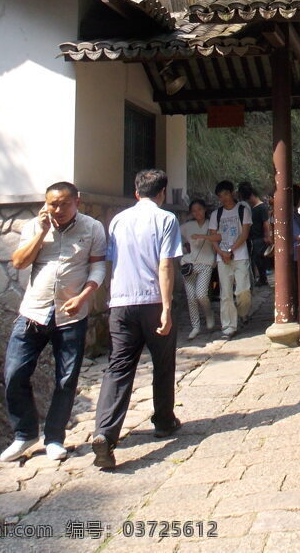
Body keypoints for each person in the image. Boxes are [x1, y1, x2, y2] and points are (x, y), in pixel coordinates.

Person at [0, 181, 106, 463]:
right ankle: (24, 434)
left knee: (66, 378)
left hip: (71, 315)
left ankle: (55, 438)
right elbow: (19, 262)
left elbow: (98, 264)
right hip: (33, 312)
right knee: (14, 373)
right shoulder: (35, 226)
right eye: (52, 204)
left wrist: (85, 295)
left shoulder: (93, 228)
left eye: (63, 204)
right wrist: (43, 232)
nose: (57, 209)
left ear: (77, 202)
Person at [91, 169, 182, 470]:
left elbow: (111, 261)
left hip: (121, 302)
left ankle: (105, 431)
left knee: (118, 367)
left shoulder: (117, 220)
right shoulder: (165, 219)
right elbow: (166, 265)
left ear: (136, 192)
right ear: (163, 193)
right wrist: (167, 308)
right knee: (163, 361)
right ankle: (164, 421)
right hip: (153, 300)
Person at [207, 180, 253, 339]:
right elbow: (213, 236)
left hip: (240, 255)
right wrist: (220, 251)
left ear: (232, 193)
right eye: (220, 196)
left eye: (226, 194)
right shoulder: (216, 214)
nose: (224, 198)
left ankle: (242, 313)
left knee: (243, 290)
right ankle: (228, 326)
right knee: (225, 293)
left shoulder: (242, 210)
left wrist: (231, 250)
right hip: (223, 258)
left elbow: (244, 234)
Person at [180, 198, 217, 339]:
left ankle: (209, 314)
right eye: (194, 211)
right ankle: (195, 326)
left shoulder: (210, 224)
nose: (197, 213)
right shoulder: (187, 226)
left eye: (199, 209)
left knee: (201, 294)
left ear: (205, 209)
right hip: (189, 264)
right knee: (191, 297)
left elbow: (217, 238)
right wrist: (183, 251)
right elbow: (175, 237)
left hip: (206, 263)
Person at [240, 182, 271, 287]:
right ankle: (262, 279)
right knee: (257, 259)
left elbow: (265, 223)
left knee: (259, 259)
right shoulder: (253, 207)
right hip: (254, 237)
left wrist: (267, 236)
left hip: (260, 237)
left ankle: (263, 279)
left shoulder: (261, 207)